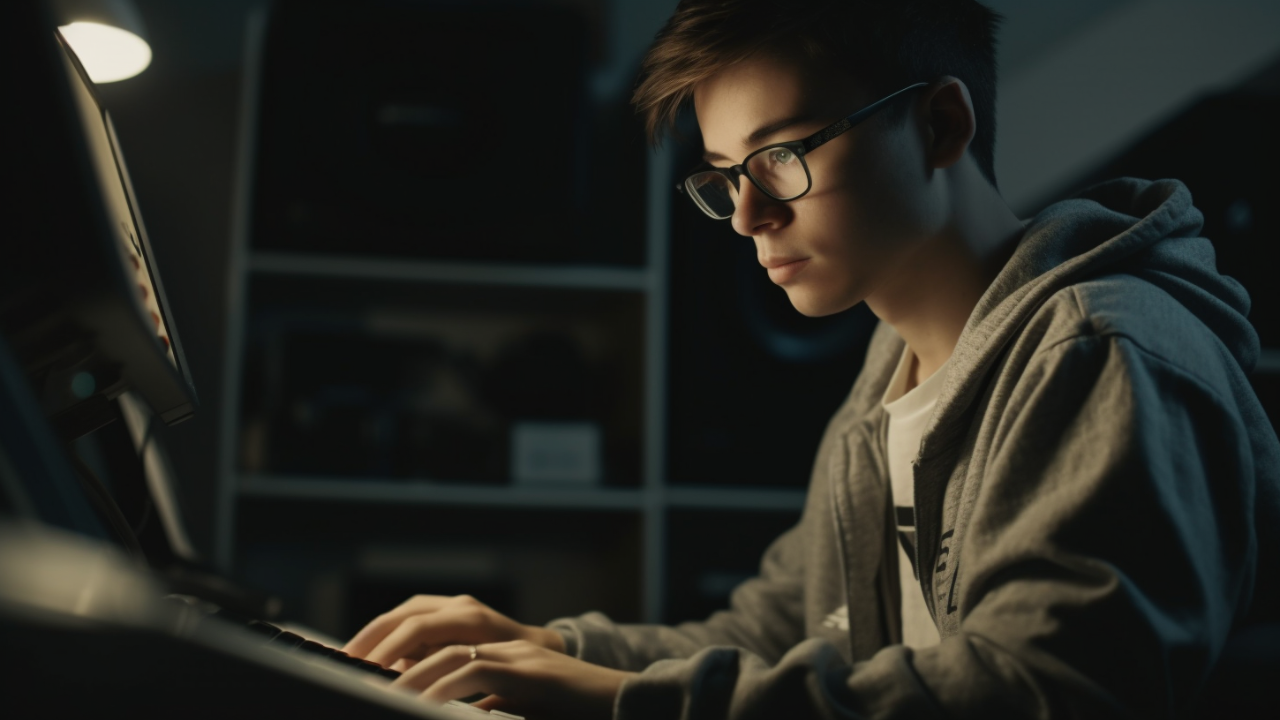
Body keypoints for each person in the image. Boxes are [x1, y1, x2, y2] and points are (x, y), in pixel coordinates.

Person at [342, 1, 1280, 717]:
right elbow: (784, 628)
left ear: (942, 126)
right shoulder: (893, 375)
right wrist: (551, 644)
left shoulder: (1101, 351)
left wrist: (619, 702)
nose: (748, 216)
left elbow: (1037, 686)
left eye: (781, 155)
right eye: (725, 177)